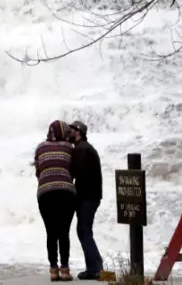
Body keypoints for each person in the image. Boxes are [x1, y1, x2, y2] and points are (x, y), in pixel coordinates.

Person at [35, 120, 78, 281]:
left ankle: (53, 269)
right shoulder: (69, 148)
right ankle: (65, 269)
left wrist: (48, 179)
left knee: (51, 232)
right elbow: (73, 170)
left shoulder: (40, 148)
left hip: (45, 192)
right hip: (66, 192)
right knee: (64, 232)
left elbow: (38, 172)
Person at [69, 120, 103, 280]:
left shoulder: (81, 149)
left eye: (71, 130)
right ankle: (92, 268)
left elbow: (77, 174)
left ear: (78, 132)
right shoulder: (84, 148)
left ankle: (97, 268)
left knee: (84, 231)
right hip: (90, 196)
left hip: (87, 197)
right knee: (83, 231)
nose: (68, 133)